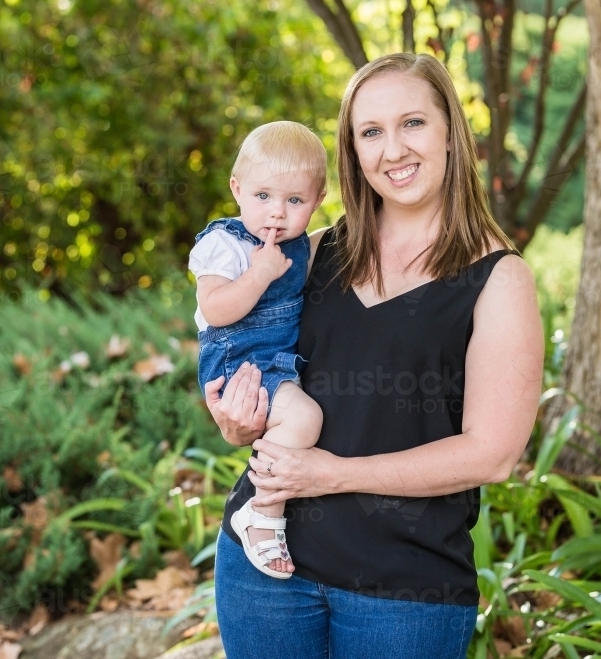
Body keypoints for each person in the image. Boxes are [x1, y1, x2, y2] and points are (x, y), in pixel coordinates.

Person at [204, 53, 544, 659]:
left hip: (404, 594)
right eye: (371, 132)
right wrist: (237, 418)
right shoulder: (307, 255)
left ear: (450, 133)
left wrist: (333, 475)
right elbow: (239, 352)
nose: (393, 150)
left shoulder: (499, 279)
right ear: (353, 151)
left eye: (412, 123)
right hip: (265, 573)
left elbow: (492, 454)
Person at [189, 121, 326, 578]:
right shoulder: (224, 243)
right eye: (263, 196)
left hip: (275, 357)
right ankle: (262, 510)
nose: (276, 214)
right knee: (305, 418)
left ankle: (264, 506)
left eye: (295, 201)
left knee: (301, 414)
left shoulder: (303, 247)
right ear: (237, 188)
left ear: (318, 201)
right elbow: (215, 307)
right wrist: (259, 274)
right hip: (236, 356)